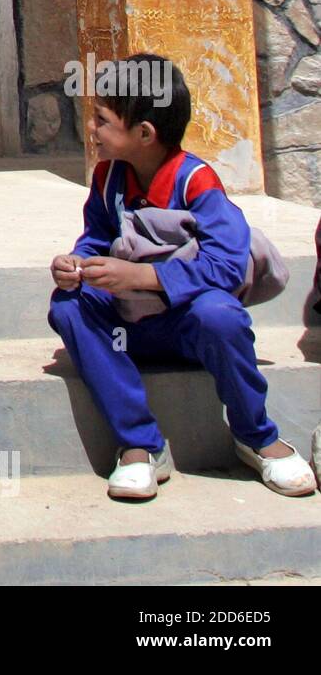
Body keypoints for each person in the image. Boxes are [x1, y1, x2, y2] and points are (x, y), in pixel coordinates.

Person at [47, 54, 316, 500]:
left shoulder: (197, 182)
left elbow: (227, 266)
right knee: (70, 307)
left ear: (144, 134)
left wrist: (141, 275)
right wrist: (76, 264)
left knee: (220, 314)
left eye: (101, 120)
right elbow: (96, 238)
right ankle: (140, 444)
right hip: (127, 329)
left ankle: (257, 436)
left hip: (189, 326)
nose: (91, 129)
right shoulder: (108, 178)